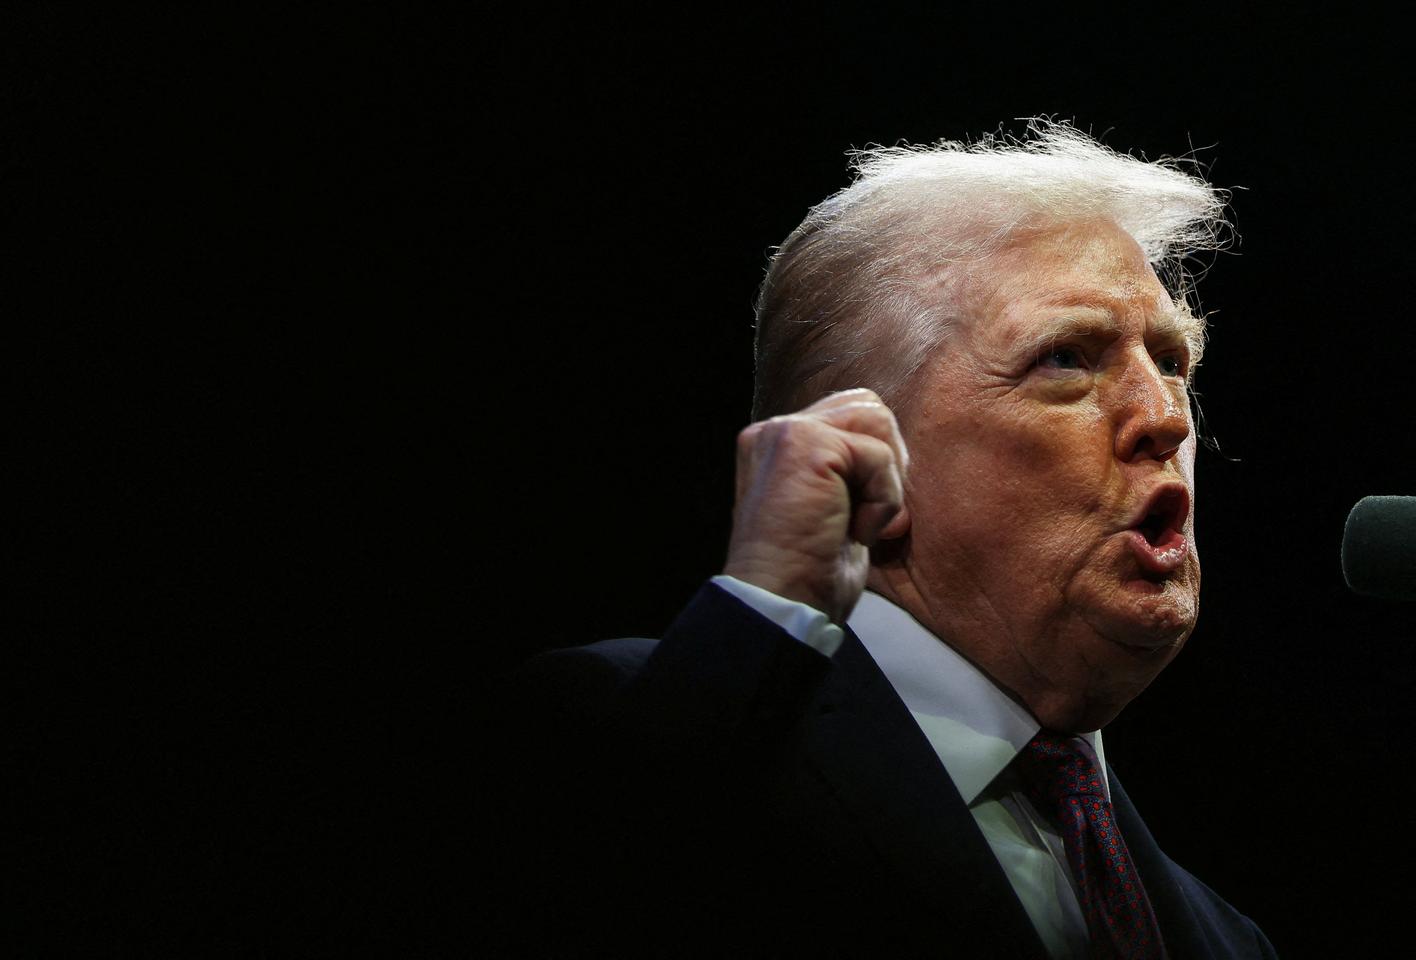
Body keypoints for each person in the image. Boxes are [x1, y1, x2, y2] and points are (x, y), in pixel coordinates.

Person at [508, 121, 1277, 959]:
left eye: (1172, 362)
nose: (1166, 417)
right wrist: (765, 609)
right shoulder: (630, 735)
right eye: (1065, 357)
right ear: (862, 447)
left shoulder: (1225, 939)